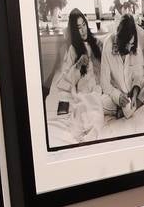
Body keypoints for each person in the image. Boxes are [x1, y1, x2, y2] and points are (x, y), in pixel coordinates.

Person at [44, 9, 106, 146]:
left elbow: (106, 65)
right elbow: (65, 80)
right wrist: (78, 66)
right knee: (83, 112)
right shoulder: (73, 49)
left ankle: (90, 136)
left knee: (95, 113)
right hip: (82, 92)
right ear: (74, 30)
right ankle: (84, 138)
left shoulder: (96, 43)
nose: (83, 30)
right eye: (79, 28)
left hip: (97, 89)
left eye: (84, 25)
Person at [99, 13, 144, 120]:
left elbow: (138, 76)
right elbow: (104, 83)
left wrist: (135, 93)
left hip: (132, 92)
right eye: (127, 44)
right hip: (116, 93)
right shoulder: (108, 44)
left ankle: (129, 109)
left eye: (132, 43)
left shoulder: (133, 46)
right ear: (120, 39)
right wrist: (118, 97)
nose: (130, 47)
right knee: (100, 104)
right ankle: (125, 108)